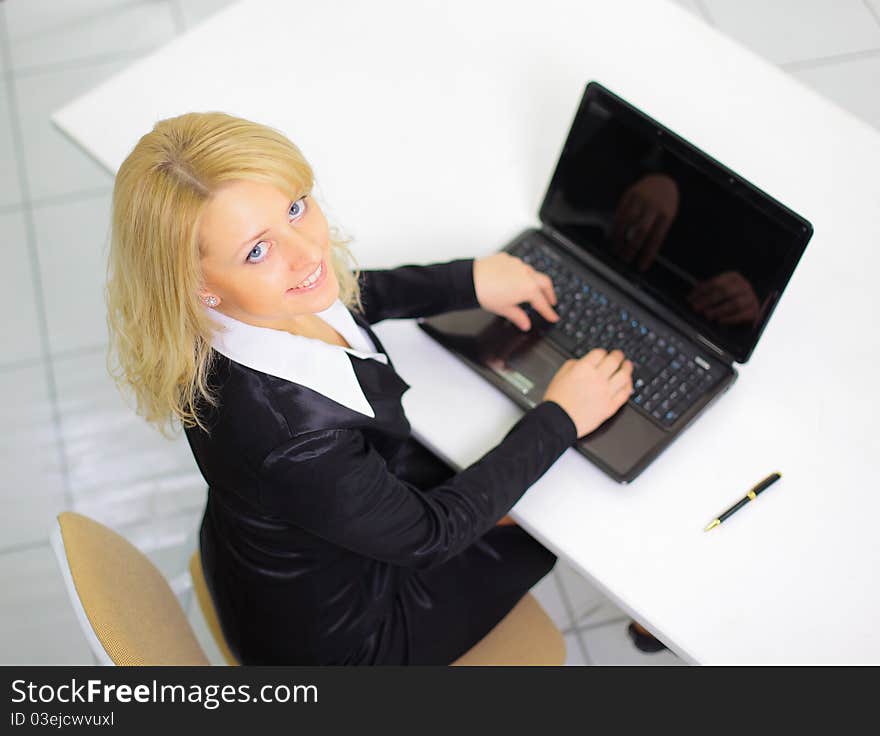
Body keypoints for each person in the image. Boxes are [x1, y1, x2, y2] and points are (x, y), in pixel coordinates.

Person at [105, 111, 633, 665]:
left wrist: (467, 281)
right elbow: (430, 536)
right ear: (198, 284)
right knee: (552, 529)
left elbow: (348, 299)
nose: (308, 251)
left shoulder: (242, 310)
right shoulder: (290, 440)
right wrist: (561, 416)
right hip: (347, 641)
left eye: (294, 207)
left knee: (502, 478)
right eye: (257, 250)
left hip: (283, 563)